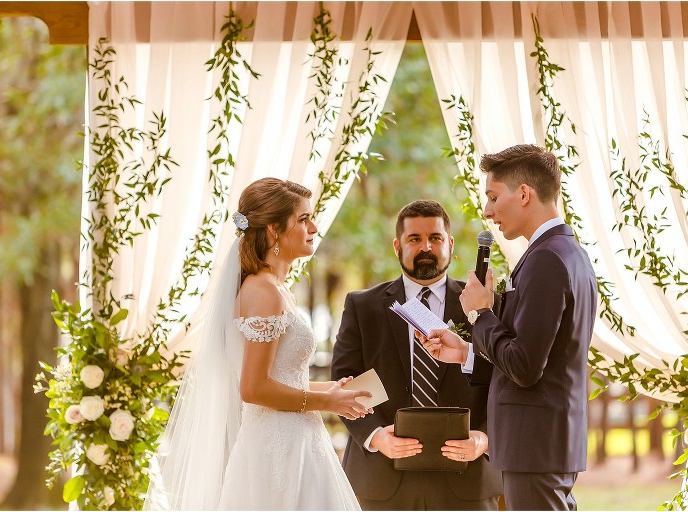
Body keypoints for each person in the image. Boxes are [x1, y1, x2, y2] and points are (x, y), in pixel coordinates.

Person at [144, 178, 371, 510]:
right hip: (276, 450)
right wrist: (325, 401)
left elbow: (282, 378)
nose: (314, 227)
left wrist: (334, 391)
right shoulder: (263, 291)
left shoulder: (279, 290)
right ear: (275, 230)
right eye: (303, 219)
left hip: (299, 439)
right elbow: (253, 389)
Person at [422, 145, 598, 511]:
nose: (488, 211)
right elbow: (541, 359)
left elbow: (524, 366)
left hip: (535, 445)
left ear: (524, 194)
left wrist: (481, 313)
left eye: (493, 197)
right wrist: (467, 353)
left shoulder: (546, 259)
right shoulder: (567, 252)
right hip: (544, 444)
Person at [331, 200, 504, 510]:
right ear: (397, 246)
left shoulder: (487, 304)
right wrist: (376, 436)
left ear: (450, 244)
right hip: (383, 476)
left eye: (435, 238)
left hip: (469, 476)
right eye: (415, 239)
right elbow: (346, 380)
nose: (426, 247)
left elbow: (507, 377)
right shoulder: (362, 305)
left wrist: (486, 438)